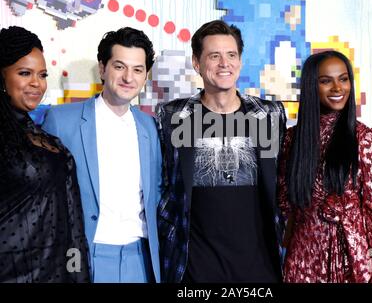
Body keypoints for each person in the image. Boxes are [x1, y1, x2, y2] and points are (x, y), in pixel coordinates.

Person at [156, 20, 287, 283]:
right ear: (197, 63)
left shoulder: (269, 114)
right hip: (195, 268)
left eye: (231, 55)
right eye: (214, 56)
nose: (224, 63)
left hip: (260, 268)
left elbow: (283, 185)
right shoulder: (173, 116)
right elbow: (164, 184)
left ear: (239, 61)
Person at [42, 27, 162, 283]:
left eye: (138, 69)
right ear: (102, 68)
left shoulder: (150, 127)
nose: (128, 77)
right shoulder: (62, 120)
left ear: (145, 75)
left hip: (141, 259)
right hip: (84, 255)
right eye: (119, 66)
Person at [278, 50, 372, 283]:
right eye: (326, 81)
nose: (337, 88)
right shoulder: (292, 140)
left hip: (351, 260)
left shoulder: (365, 139)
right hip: (302, 260)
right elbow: (286, 204)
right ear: (312, 85)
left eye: (343, 79)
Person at [0, 26, 90, 283]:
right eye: (24, 73)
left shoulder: (40, 134)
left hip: (57, 273)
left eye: (42, 74)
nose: (36, 83)